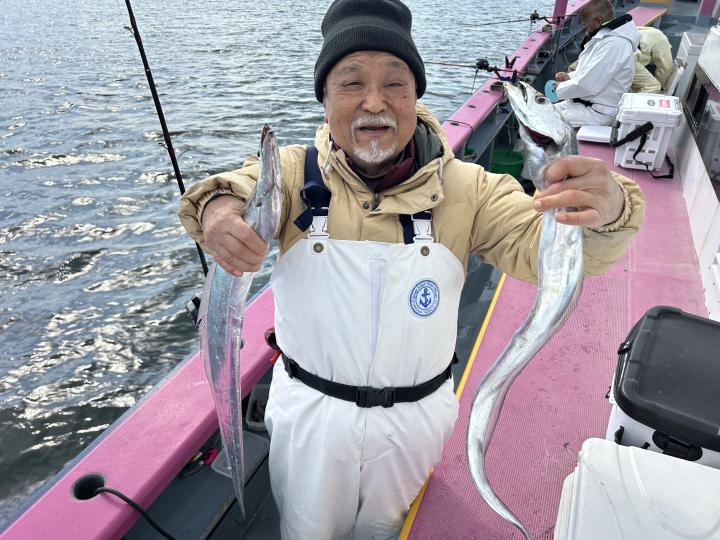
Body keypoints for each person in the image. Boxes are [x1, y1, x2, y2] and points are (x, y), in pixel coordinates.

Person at [178, 0, 645, 538]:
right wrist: (217, 210)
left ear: (415, 96)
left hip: (415, 423)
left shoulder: (470, 189)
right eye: (351, 83)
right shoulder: (291, 174)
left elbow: (558, 250)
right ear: (324, 100)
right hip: (308, 420)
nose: (374, 102)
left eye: (395, 83)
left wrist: (610, 208)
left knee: (393, 530)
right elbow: (236, 187)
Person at [552, 0, 640, 127]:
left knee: (544, 122)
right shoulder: (605, 39)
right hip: (582, 105)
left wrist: (559, 88)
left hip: (597, 114)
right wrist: (570, 77)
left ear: (598, 21)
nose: (586, 31)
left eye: (587, 26)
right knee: (541, 112)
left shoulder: (615, 45)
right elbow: (592, 73)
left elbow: (588, 86)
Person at [632, 26, 674, 94]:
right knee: (653, 86)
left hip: (620, 52)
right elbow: (666, 67)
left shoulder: (644, 31)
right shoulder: (661, 38)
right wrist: (662, 87)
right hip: (630, 58)